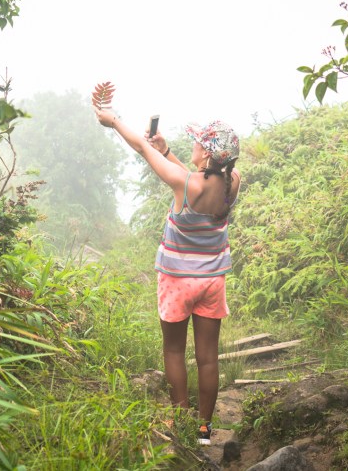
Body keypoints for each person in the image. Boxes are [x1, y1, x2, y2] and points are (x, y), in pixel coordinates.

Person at [94, 106, 241, 446]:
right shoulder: (232, 183)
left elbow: (142, 149)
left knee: (174, 352)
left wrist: (114, 121)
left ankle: (181, 424)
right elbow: (198, 178)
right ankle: (204, 429)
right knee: (208, 357)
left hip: (176, 282)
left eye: (197, 143)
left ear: (206, 153)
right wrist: (168, 152)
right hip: (212, 283)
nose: (193, 146)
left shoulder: (184, 184)